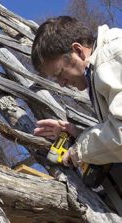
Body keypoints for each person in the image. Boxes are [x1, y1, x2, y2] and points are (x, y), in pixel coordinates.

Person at [31, 16, 122, 168]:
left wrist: (79, 150)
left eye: (59, 73)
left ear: (78, 51)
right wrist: (77, 133)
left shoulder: (109, 61)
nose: (61, 83)